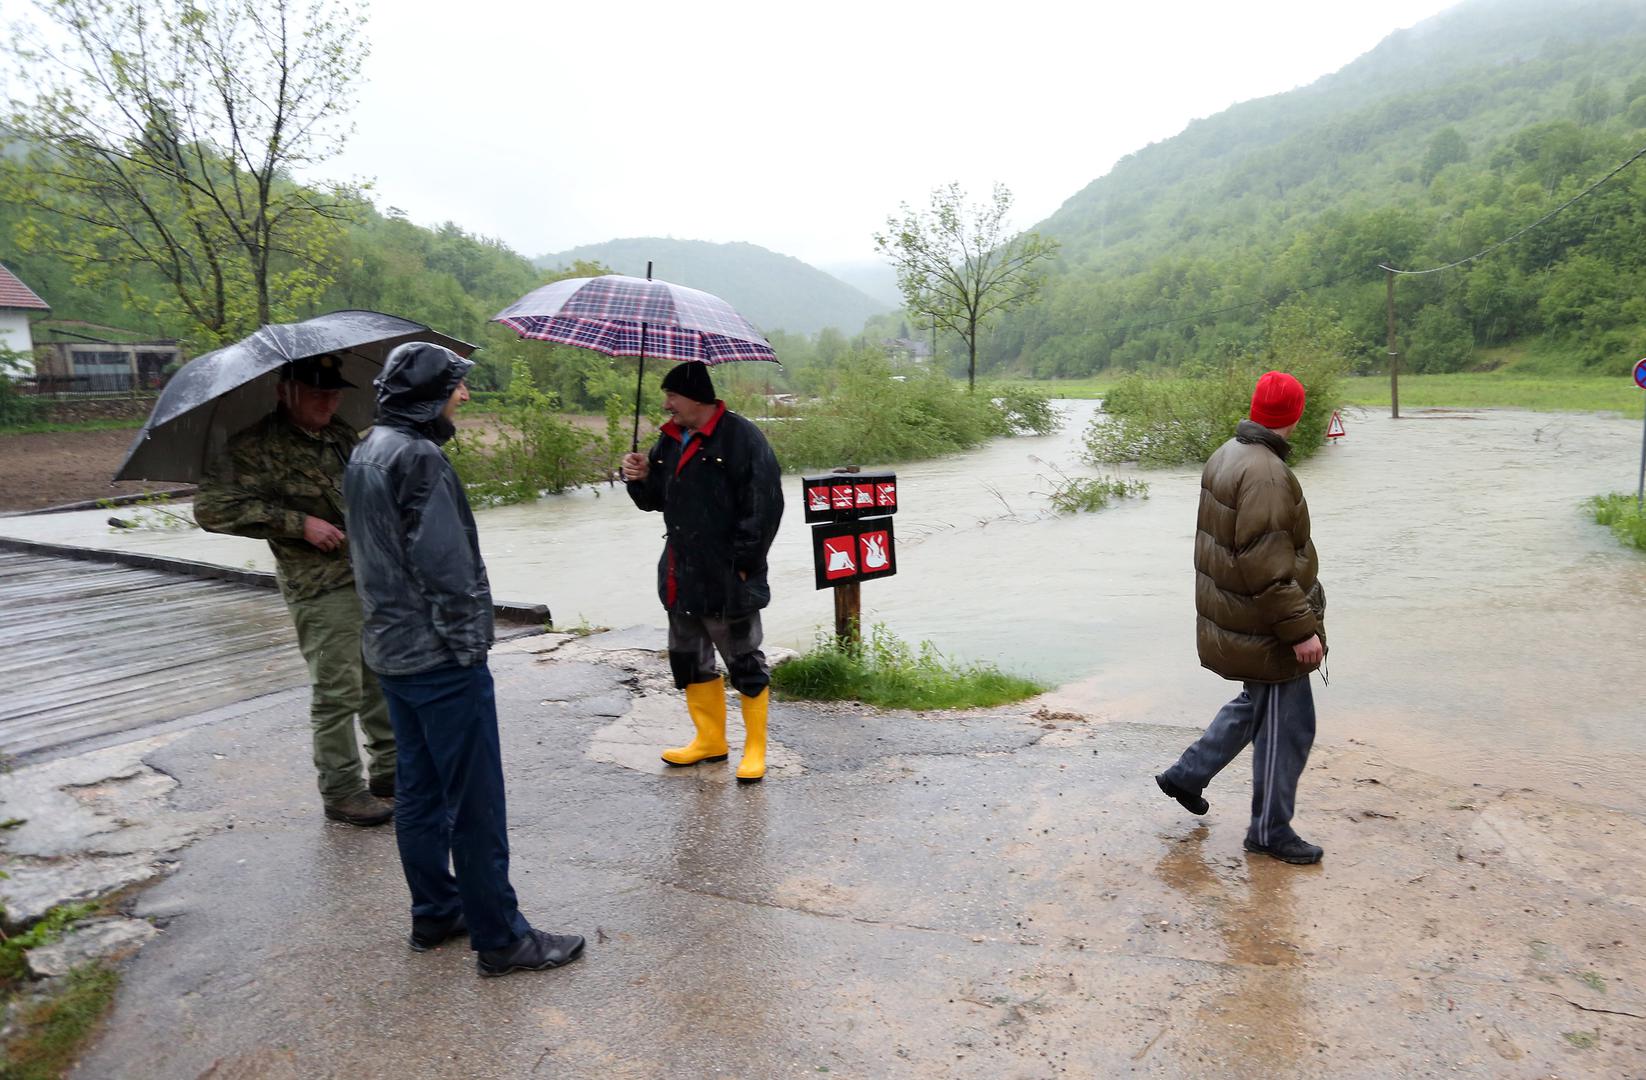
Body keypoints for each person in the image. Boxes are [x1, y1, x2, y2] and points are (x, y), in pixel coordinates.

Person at [342, 341, 584, 976]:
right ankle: (502, 939)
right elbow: (447, 571)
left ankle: (436, 911)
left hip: (390, 653)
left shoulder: (367, 450)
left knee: (419, 792)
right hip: (439, 659)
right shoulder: (419, 458)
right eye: (456, 385)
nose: (465, 394)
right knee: (475, 803)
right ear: (428, 396)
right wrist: (468, 647)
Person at [195, 354, 395, 828]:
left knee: (380, 679)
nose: (329, 399)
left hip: (368, 573)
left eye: (334, 390)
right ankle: (343, 790)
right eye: (317, 391)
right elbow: (211, 508)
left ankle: (391, 772)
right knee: (337, 690)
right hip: (319, 584)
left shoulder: (340, 434)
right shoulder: (254, 447)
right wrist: (297, 523)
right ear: (285, 391)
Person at [1155, 370, 1328, 865]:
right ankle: (1270, 832)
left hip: (1240, 621)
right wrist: (1301, 631)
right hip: (1265, 626)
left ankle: (1188, 774)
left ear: (1256, 408)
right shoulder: (1268, 475)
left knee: (1257, 705)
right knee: (1289, 726)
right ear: (1296, 415)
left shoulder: (1226, 454)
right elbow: (1267, 568)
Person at [620, 361, 784, 781]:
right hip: (680, 573)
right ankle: (710, 741)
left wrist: (745, 565)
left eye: (672, 396)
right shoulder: (670, 440)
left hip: (729, 575)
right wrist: (638, 477)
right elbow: (656, 499)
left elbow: (765, 506)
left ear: (696, 398)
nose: (666, 404)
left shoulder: (742, 437)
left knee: (744, 660)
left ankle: (755, 749)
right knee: (688, 659)